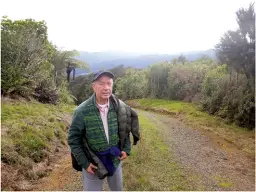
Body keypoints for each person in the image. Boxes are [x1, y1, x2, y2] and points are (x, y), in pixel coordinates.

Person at [68, 71, 139, 191]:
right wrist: (84, 163)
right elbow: (74, 139)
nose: (106, 88)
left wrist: (126, 149)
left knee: (117, 189)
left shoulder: (119, 107)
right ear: (93, 86)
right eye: (101, 84)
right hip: (93, 160)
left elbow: (125, 128)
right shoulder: (82, 111)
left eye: (109, 83)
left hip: (114, 158)